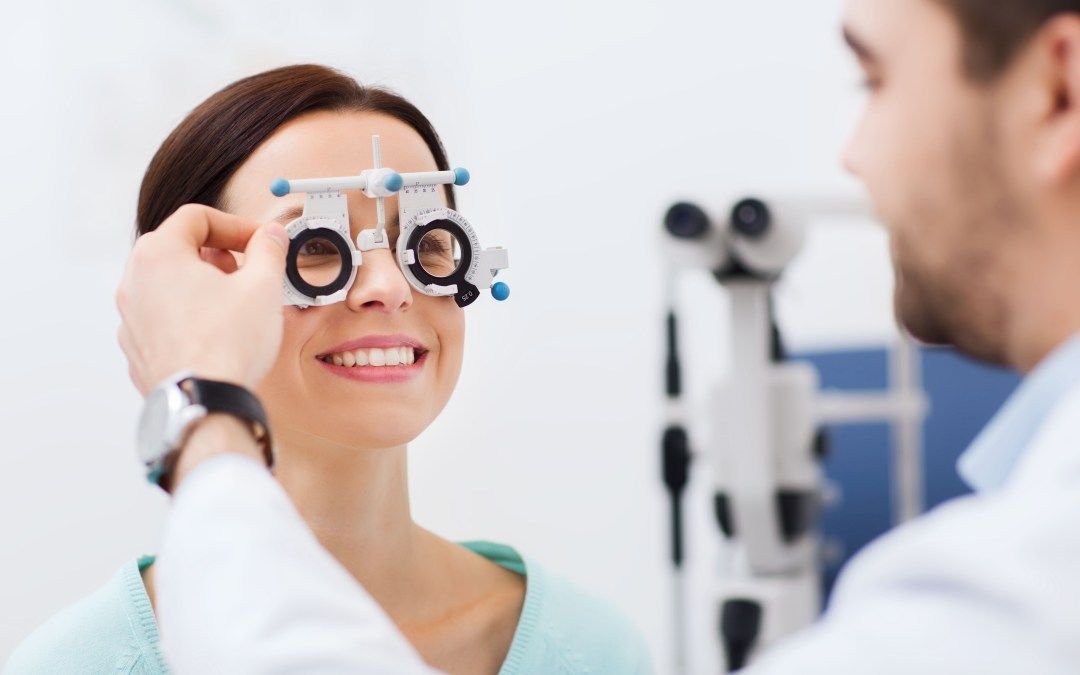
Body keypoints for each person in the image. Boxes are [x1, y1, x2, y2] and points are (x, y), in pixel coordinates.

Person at [4, 64, 651, 675]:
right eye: (316, 247)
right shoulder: (78, 662)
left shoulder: (591, 649)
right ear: (184, 293)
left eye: (426, 243)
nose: (389, 286)